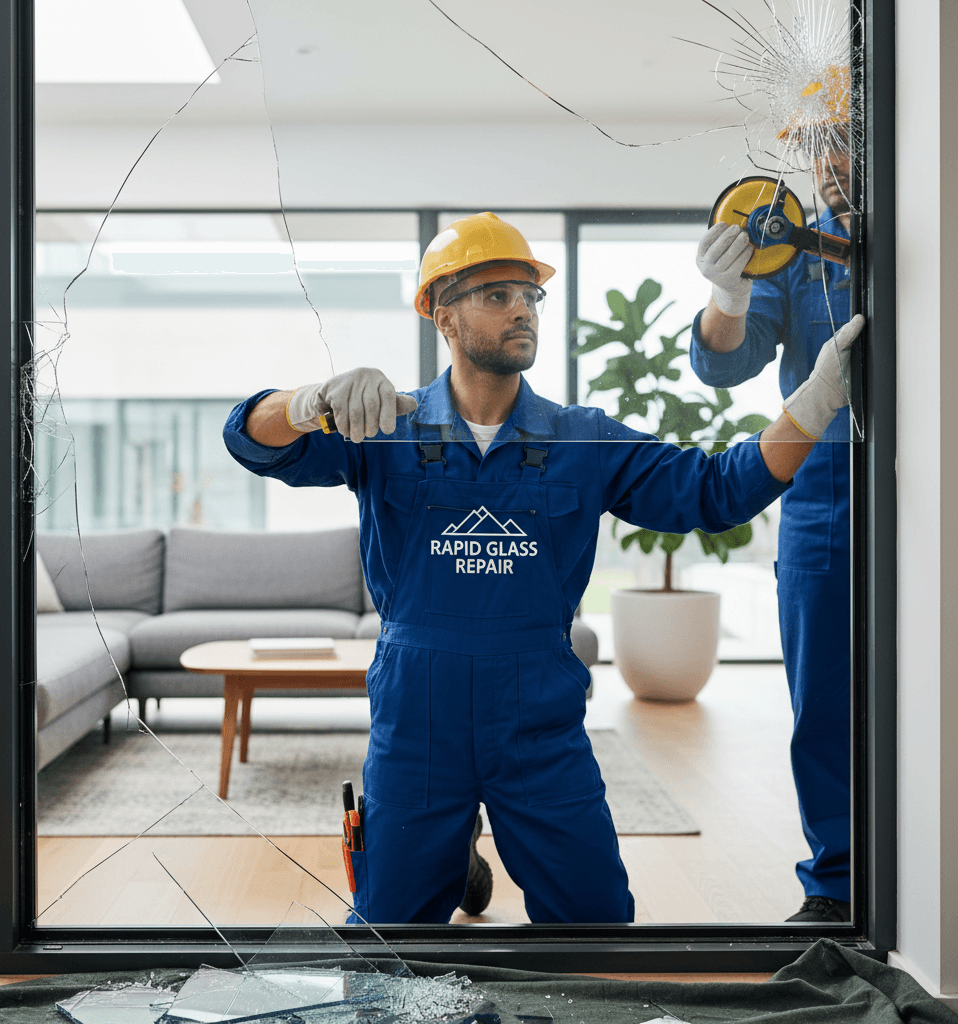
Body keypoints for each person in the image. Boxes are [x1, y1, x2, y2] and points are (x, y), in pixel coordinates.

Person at [224, 211, 862, 925]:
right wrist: (307, 404)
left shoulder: (581, 437)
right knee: (388, 940)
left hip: (536, 714)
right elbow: (249, 441)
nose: (522, 309)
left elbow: (718, 493)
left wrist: (818, 400)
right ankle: (449, 846)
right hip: (418, 718)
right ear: (443, 314)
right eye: (497, 295)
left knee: (597, 930)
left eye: (530, 296)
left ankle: (460, 841)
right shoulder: (385, 425)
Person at [691, 146, 855, 923]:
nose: (829, 160)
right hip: (825, 497)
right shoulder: (795, 250)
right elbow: (728, 364)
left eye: (847, 137)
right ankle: (837, 886)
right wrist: (730, 292)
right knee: (824, 698)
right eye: (818, 142)